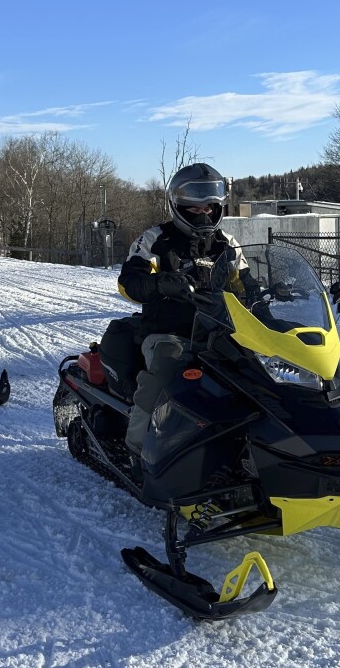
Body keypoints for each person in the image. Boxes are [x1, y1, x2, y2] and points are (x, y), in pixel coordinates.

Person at [114, 163, 255, 460]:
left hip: (220, 331)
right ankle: (137, 450)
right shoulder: (156, 240)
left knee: (259, 374)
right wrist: (160, 284)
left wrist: (274, 291)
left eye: (210, 203)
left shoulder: (226, 244)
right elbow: (128, 283)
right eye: (195, 204)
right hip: (168, 331)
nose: (204, 211)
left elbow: (245, 285)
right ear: (178, 204)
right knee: (166, 373)